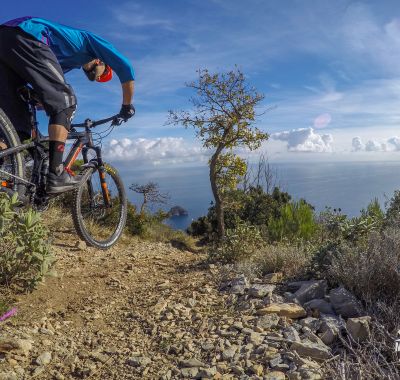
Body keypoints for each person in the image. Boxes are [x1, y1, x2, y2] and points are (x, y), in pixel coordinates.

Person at [0, 16, 135, 193]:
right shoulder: (90, 42)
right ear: (100, 61)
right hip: (25, 33)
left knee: (17, 128)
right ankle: (56, 174)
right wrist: (127, 106)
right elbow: (126, 68)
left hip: (5, 44)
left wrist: (44, 99)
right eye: (103, 75)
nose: (98, 79)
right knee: (66, 101)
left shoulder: (66, 63)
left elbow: (42, 80)